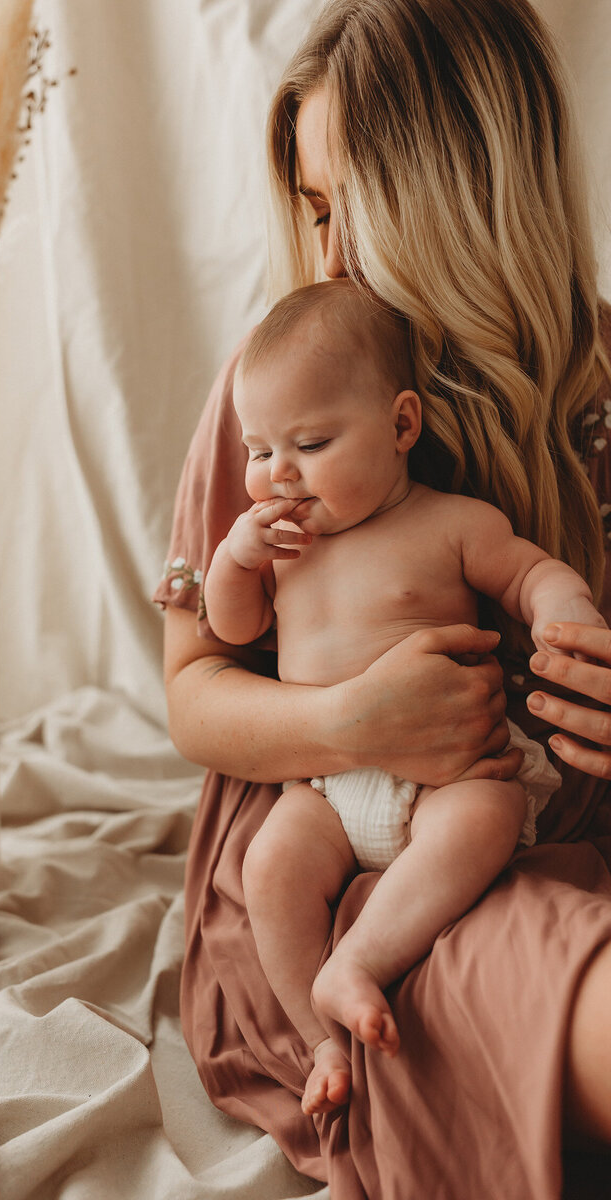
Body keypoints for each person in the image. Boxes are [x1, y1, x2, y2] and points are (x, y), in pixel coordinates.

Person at [154, 1, 611, 1195]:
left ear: (467, 188)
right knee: (492, 968)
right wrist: (347, 722)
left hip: (520, 826)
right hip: (313, 856)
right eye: (311, 212)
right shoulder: (280, 400)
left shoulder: (595, 384)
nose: (331, 255)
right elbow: (194, 690)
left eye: (354, 205)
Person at [202, 277, 604, 1116]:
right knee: (270, 868)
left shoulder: (449, 522)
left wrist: (559, 605)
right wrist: (235, 561)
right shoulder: (281, 549)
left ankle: (363, 961)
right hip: (321, 788)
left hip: (445, 778)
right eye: (257, 450)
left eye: (308, 444)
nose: (277, 473)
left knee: (485, 821)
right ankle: (321, 1040)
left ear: (401, 425)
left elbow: (528, 570)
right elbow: (232, 632)